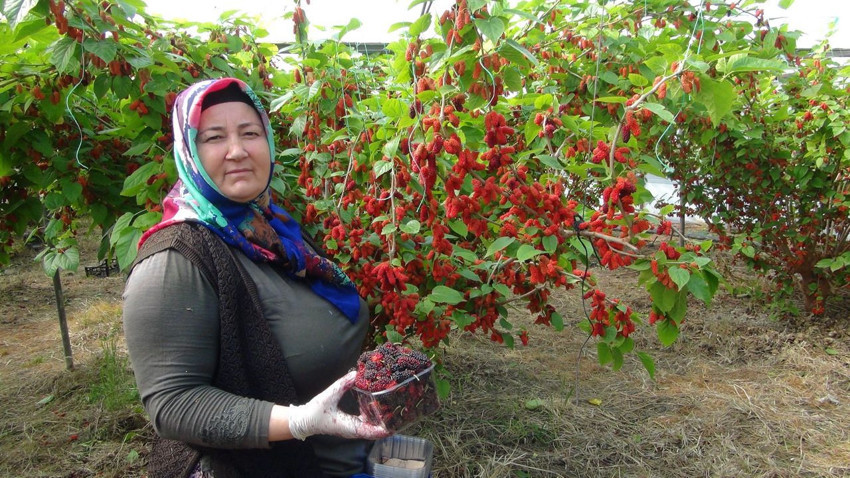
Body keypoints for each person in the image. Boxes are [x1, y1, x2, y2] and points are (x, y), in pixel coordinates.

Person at [122, 77, 389, 478]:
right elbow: (174, 404)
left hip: (339, 460)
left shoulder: (271, 227)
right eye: (213, 137)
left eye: (250, 133)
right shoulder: (175, 260)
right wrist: (297, 422)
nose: (237, 151)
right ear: (188, 152)